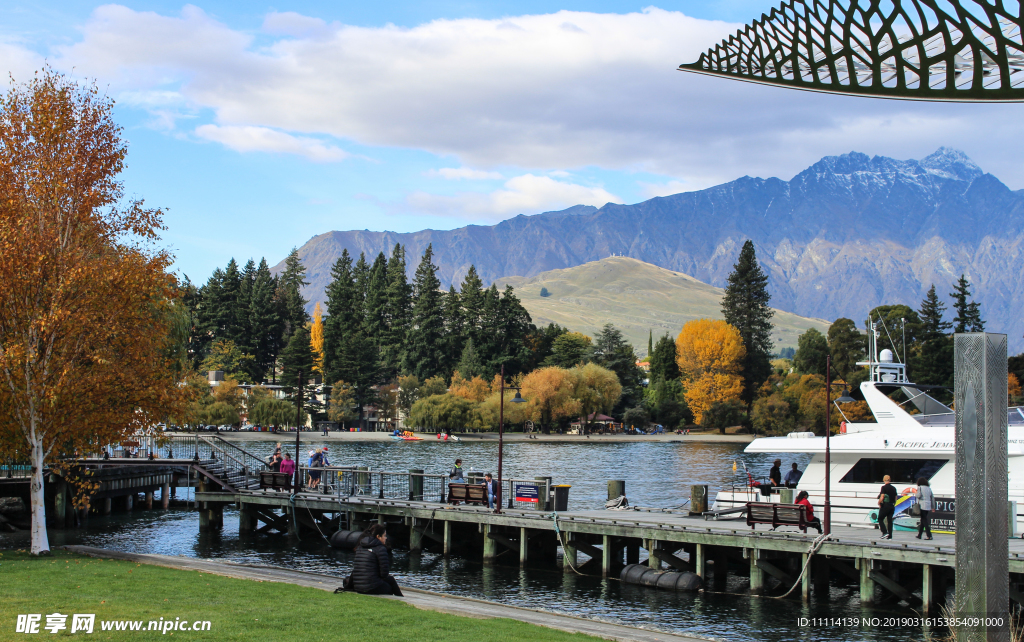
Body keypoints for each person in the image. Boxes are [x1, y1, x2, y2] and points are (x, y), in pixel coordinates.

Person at [350, 524, 403, 596]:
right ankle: (400, 597)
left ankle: (400, 597)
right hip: (371, 587)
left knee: (390, 580)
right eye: (384, 536)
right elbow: (384, 573)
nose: (386, 538)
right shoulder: (380, 548)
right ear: (378, 537)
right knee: (390, 586)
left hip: (357, 586)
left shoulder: (360, 547)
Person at [877, 474, 897, 539]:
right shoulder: (894, 488)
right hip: (892, 506)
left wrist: (879, 502)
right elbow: (895, 498)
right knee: (889, 521)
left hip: (885, 505)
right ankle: (890, 536)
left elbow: (882, 496)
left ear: (883, 480)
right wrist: (894, 504)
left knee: (880, 518)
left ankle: (884, 532)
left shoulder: (884, 487)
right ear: (890, 480)